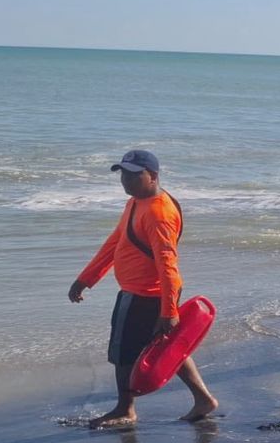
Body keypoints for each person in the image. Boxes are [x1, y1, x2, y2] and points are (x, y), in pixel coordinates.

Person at [68, 150, 218, 428]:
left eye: (135, 175)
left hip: (144, 295)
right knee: (165, 348)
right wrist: (87, 278)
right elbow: (116, 242)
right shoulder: (138, 202)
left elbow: (168, 265)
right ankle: (204, 399)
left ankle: (125, 409)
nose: (127, 180)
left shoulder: (159, 213)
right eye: (123, 174)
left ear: (153, 176)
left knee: (123, 354)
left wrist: (169, 311)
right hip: (146, 294)